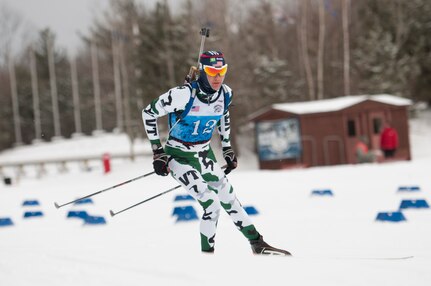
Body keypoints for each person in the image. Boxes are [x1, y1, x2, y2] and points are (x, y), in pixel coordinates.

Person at [142, 51, 291, 256]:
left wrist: (227, 147)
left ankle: (258, 243)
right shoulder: (183, 94)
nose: (217, 77)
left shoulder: (226, 93)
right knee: (211, 206)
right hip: (179, 156)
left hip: (204, 154)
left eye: (222, 71)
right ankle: (207, 258)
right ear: (202, 71)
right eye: (212, 72)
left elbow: (224, 115)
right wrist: (158, 152)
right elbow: (148, 113)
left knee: (230, 198)